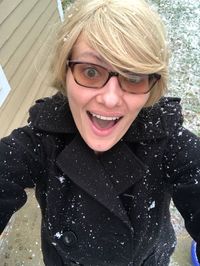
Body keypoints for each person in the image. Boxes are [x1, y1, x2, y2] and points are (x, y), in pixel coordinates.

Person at [0, 0, 199, 265]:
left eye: (134, 77)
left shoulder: (169, 143)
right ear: (65, 72)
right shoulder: (39, 142)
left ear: (152, 85)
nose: (110, 99)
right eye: (91, 71)